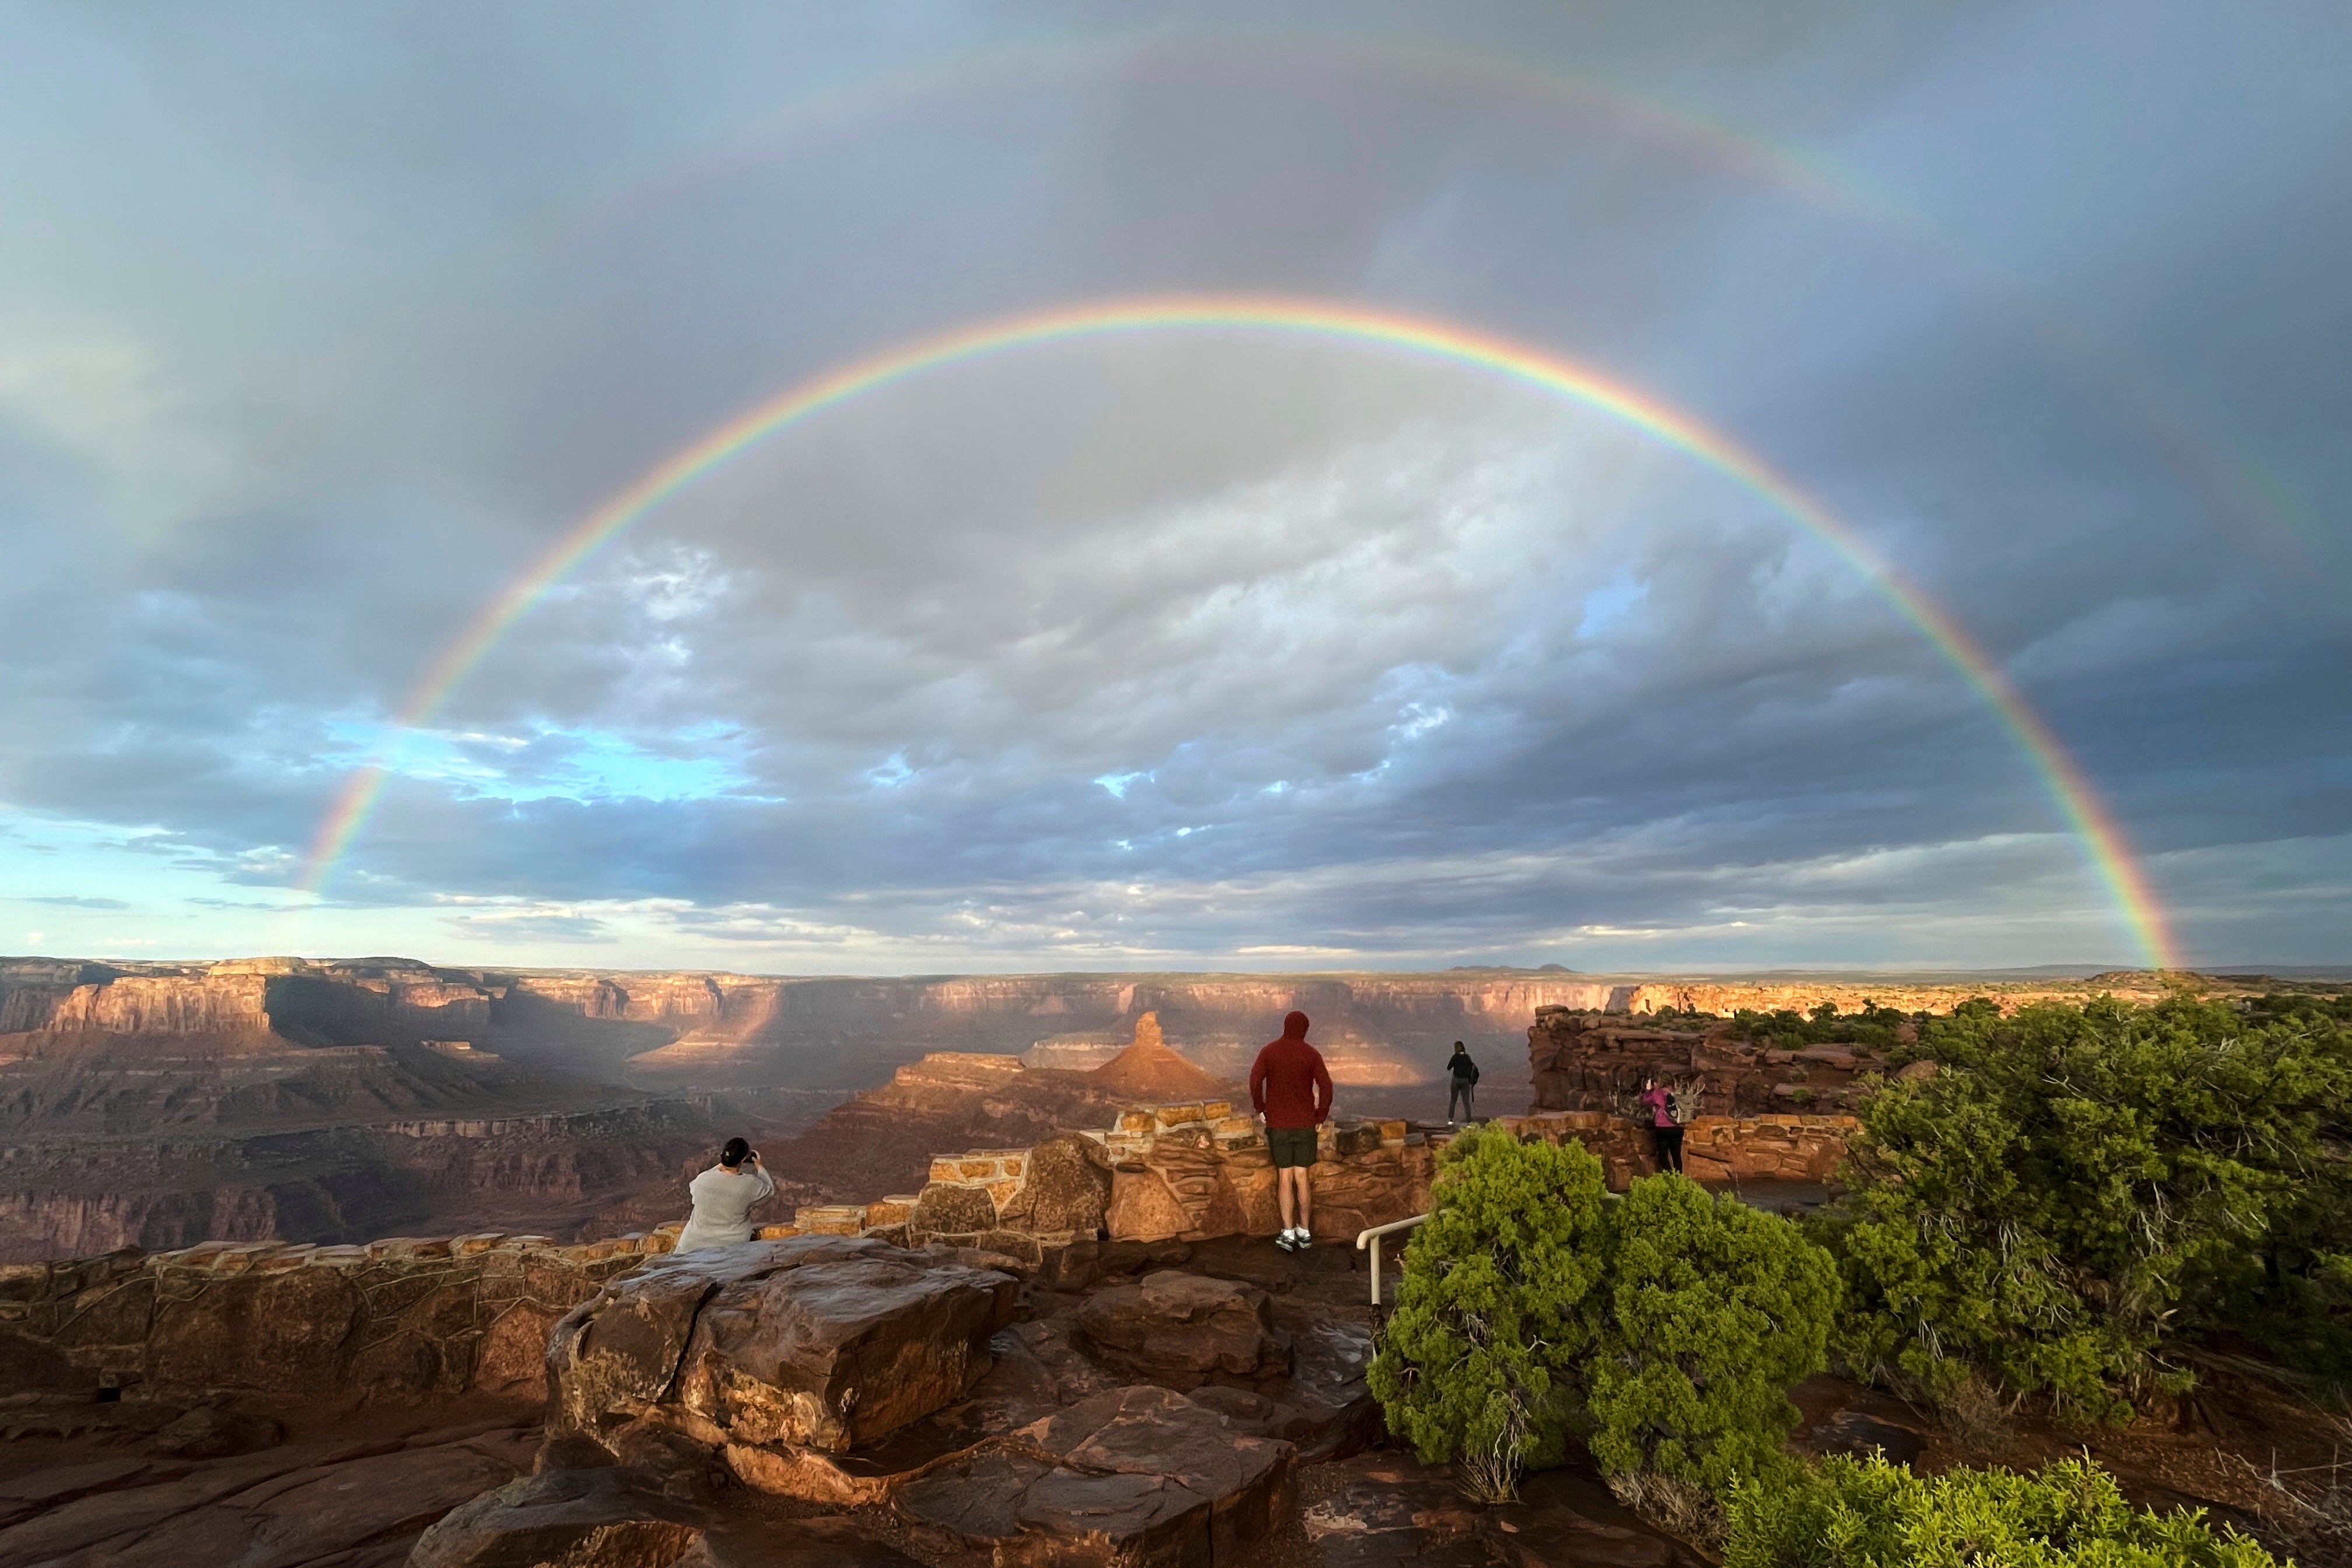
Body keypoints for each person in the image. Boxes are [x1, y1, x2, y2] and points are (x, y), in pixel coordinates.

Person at [1250, 1010, 1333, 1254]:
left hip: (1279, 1124)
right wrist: (1321, 1115)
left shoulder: (1269, 1051)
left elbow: (1255, 1081)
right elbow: (1326, 1085)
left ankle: (1287, 1233)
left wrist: (1261, 1108)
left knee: (1284, 1178)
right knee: (1302, 1177)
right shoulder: (1311, 1054)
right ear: (1305, 1029)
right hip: (1306, 1124)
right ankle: (1304, 1231)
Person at [674, 1137, 776, 1253]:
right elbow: (769, 1190)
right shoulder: (749, 1184)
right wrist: (759, 1167)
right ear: (743, 1159)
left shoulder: (702, 1180)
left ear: (722, 1155)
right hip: (729, 1249)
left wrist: (723, 1164)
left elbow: (700, 1183)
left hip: (690, 1247)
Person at [1640, 1076, 1683, 1174]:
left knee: (1663, 1156)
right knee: (1677, 1155)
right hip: (1678, 1127)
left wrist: (1648, 1090)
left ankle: (1669, 1176)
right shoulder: (1678, 1094)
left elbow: (1646, 1101)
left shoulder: (1657, 1094)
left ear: (1657, 1084)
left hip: (1663, 1128)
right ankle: (1679, 1179)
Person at [1446, 1041, 1479, 1123]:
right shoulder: (1467, 1057)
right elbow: (1471, 1067)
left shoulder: (1455, 1057)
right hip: (1466, 1081)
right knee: (1466, 1102)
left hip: (1456, 1080)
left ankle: (1451, 1120)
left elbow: (1449, 1067)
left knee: (1453, 1100)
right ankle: (1469, 1121)